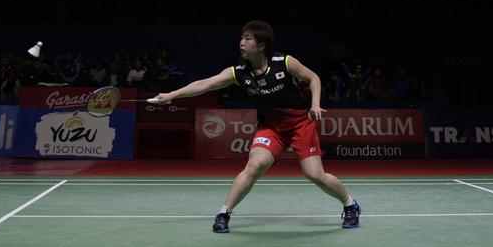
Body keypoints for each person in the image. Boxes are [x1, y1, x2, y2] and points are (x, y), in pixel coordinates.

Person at [152, 20, 361, 233]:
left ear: (261, 45)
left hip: (300, 124)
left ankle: (350, 204)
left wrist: (315, 104)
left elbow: (313, 78)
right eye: (241, 38)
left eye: (247, 39)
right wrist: (171, 95)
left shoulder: (283, 62)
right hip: (270, 128)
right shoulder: (239, 72)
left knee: (315, 175)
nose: (241, 43)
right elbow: (205, 84)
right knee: (255, 165)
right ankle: (224, 213)